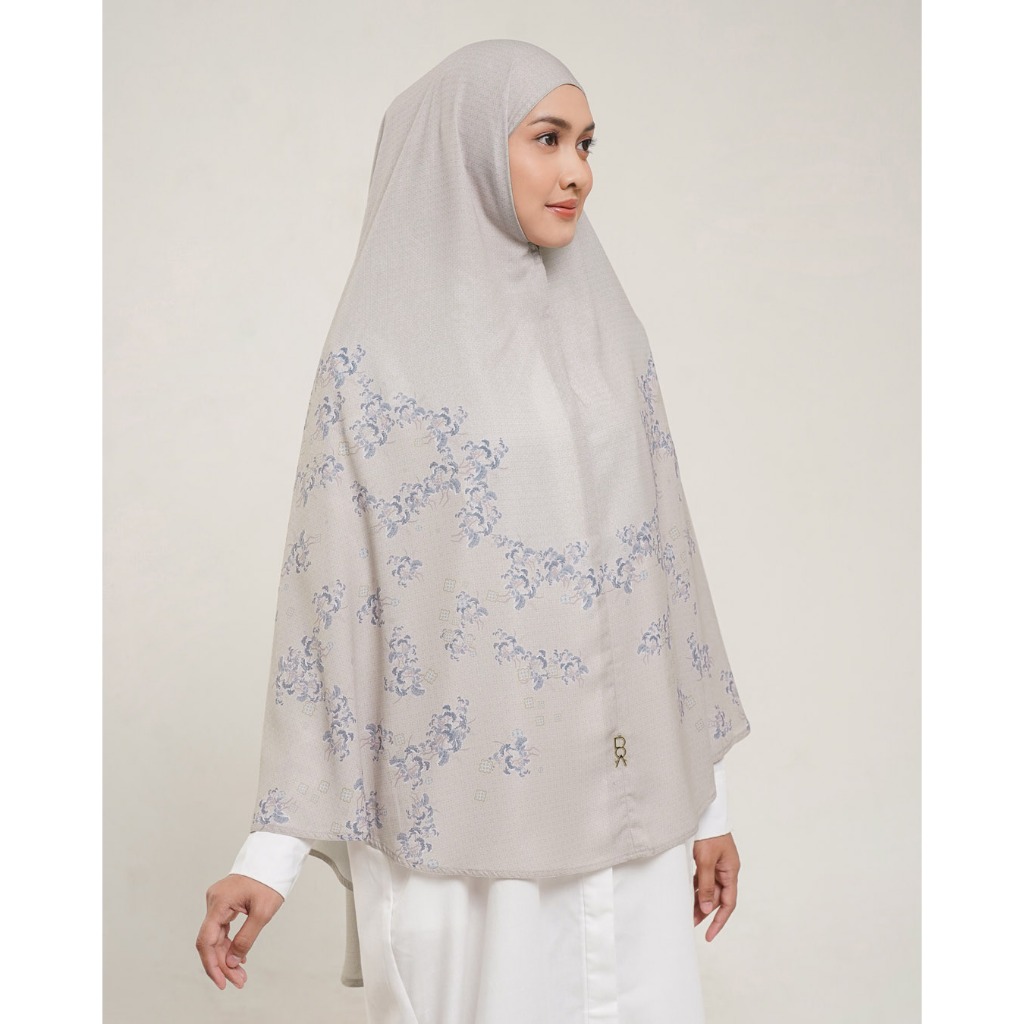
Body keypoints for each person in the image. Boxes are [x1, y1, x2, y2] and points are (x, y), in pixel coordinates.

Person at [196, 39, 750, 1023]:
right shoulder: (377, 364)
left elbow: (660, 573)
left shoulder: (610, 337)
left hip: (630, 841)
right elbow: (330, 607)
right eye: (546, 138)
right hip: (462, 846)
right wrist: (270, 854)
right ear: (460, 149)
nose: (577, 171)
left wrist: (705, 805)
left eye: (585, 143)